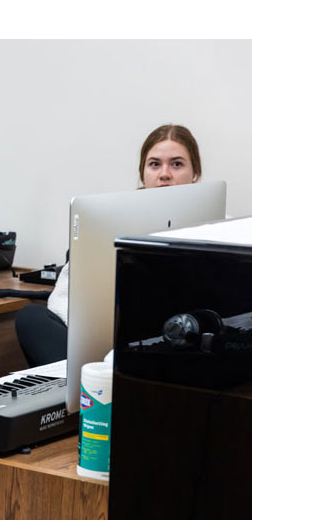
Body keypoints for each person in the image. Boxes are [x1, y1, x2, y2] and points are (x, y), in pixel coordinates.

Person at [15, 123, 203, 366]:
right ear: (143, 173)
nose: (164, 174)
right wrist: (100, 335)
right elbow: (62, 300)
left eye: (177, 164)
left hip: (176, 342)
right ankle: (94, 383)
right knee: (30, 318)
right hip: (108, 342)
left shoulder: (219, 229)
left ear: (195, 173)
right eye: (154, 164)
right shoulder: (110, 220)